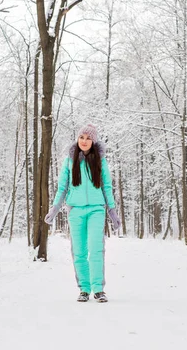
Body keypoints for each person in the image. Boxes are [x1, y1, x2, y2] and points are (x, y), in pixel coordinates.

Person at [45, 123, 121, 303]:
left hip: (96, 210)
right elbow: (63, 187)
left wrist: (112, 211)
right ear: (77, 139)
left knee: (96, 249)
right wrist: (54, 209)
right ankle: (84, 289)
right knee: (78, 251)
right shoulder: (69, 161)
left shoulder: (100, 161)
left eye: (88, 138)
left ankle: (98, 289)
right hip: (75, 211)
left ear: (93, 141)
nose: (84, 141)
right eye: (81, 137)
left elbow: (107, 187)